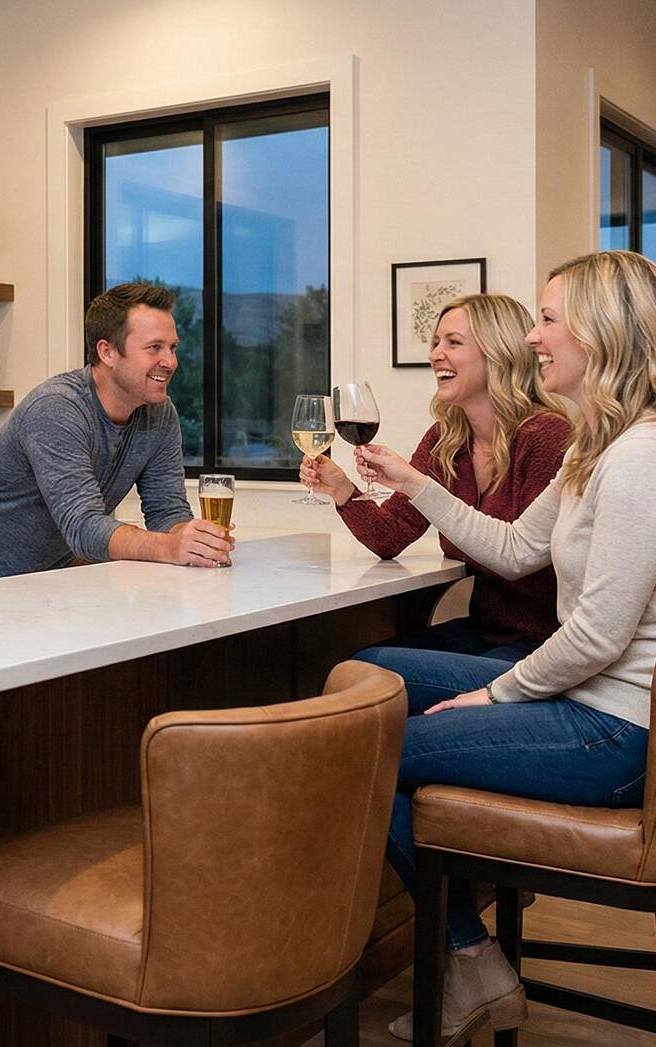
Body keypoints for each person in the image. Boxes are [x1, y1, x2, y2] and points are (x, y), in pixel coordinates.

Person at [353, 251, 656, 1041]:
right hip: (592, 706)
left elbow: (597, 633)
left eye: (549, 319)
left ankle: (463, 955)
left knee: (363, 750)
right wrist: (413, 483)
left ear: (601, 333)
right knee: (367, 693)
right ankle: (471, 956)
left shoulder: (639, 457)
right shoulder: (599, 444)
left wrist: (497, 690)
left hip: (615, 732)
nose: (532, 337)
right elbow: (517, 547)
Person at [301, 294, 570, 662]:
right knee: (356, 660)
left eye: (453, 343)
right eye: (435, 342)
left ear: (499, 353)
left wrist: (414, 483)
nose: (435, 354)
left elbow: (514, 556)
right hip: (486, 633)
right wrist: (343, 490)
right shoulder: (447, 439)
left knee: (371, 668)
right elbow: (390, 536)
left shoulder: (545, 437)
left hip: (545, 648)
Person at [0, 282, 233, 587]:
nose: (170, 361)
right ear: (107, 352)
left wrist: (193, 538)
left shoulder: (160, 414)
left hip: (34, 578)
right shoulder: (57, 408)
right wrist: (169, 547)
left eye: (173, 347)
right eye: (154, 348)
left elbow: (167, 511)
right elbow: (83, 527)